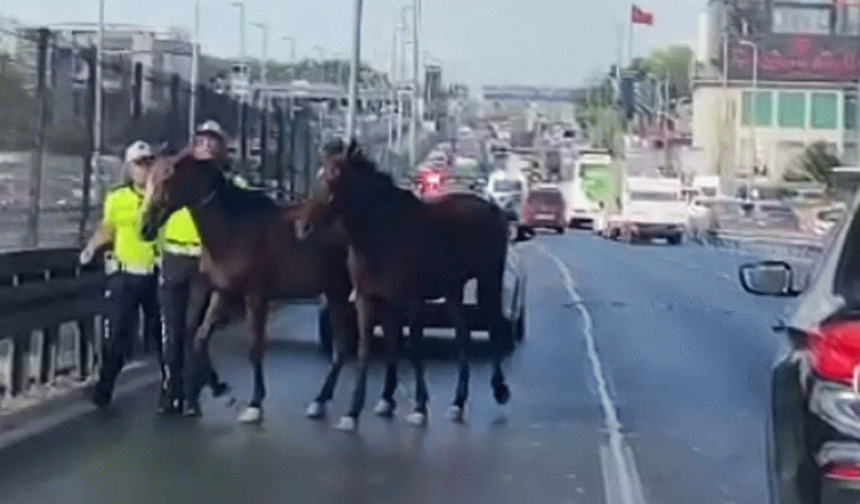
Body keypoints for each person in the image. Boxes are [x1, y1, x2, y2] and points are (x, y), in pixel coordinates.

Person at [81, 140, 162, 409]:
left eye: (150, 162)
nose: (145, 168)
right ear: (129, 168)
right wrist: (92, 247)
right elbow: (108, 227)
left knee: (162, 337)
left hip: (156, 274)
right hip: (125, 274)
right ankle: (104, 389)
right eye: (140, 164)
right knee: (115, 335)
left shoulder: (165, 197)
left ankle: (173, 390)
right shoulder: (117, 197)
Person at [158, 120, 230, 416]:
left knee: (193, 331)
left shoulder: (226, 186)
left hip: (205, 262)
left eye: (213, 140)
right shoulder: (174, 177)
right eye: (202, 139)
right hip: (173, 257)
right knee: (172, 333)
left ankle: (191, 394)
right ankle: (170, 390)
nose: (207, 145)